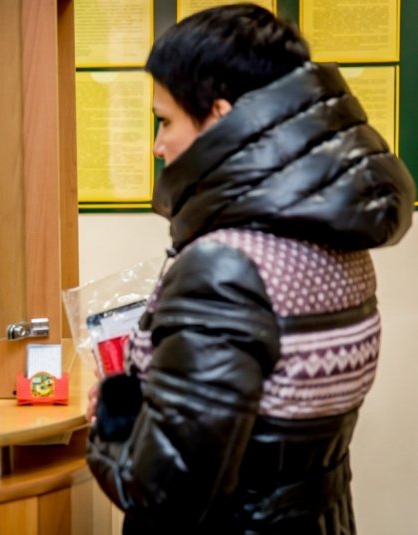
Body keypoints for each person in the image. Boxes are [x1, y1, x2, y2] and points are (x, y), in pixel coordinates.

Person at [85, 4, 414, 534]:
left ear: (219, 116)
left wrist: (114, 416)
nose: (157, 145)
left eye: (165, 120)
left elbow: (165, 492)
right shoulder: (337, 239)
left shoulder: (227, 267)